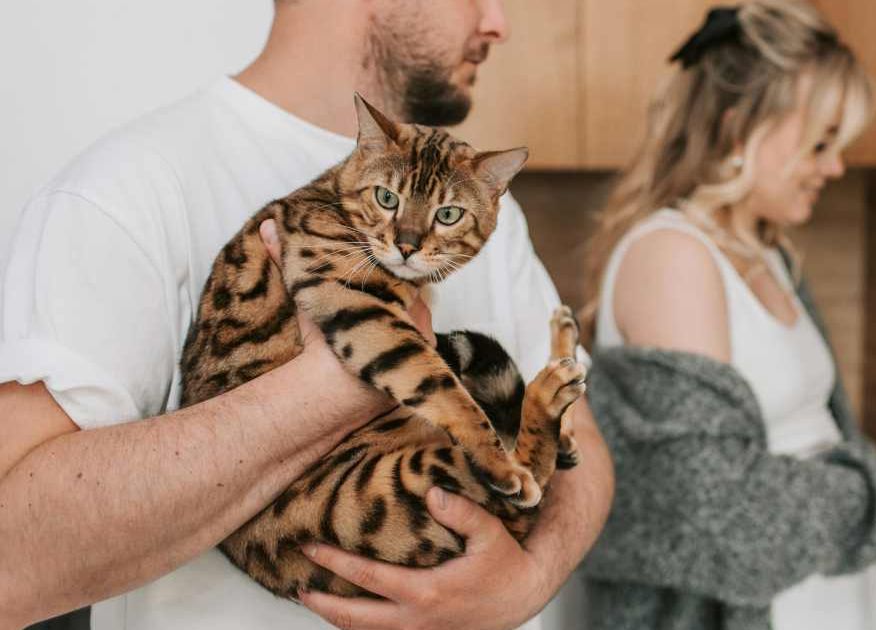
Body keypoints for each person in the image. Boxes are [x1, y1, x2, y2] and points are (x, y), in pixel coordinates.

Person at [0, 1, 613, 628]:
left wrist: (528, 583)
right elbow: (10, 565)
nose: (499, 23)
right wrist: (330, 389)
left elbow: (582, 440)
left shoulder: (482, 209)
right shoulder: (123, 192)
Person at [578, 2, 876, 628]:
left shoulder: (768, 256)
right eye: (821, 143)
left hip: (826, 594)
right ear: (743, 128)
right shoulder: (672, 256)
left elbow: (821, 444)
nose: (835, 167)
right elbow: (721, 509)